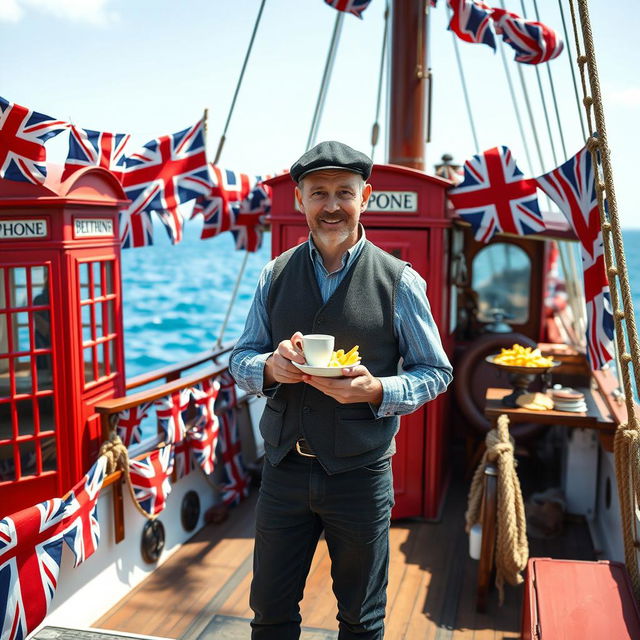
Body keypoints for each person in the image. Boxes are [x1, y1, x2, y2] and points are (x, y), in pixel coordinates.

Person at [229, 140, 453, 640]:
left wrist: (377, 390)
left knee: (361, 617)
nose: (332, 206)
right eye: (319, 193)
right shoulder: (274, 274)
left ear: (365, 196)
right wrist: (269, 367)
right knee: (269, 612)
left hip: (360, 475)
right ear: (299, 201)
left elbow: (435, 371)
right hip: (284, 470)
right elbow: (239, 358)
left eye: (344, 193)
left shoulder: (400, 281)